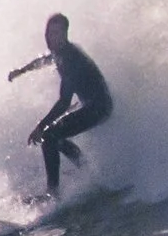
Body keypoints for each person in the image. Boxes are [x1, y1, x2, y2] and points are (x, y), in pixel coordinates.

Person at [7, 13, 113, 195]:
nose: (51, 37)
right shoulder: (61, 53)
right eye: (49, 33)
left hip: (98, 108)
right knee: (57, 137)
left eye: (56, 33)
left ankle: (53, 191)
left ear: (65, 35)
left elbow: (64, 102)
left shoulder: (71, 59)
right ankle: (88, 172)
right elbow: (45, 60)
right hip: (92, 105)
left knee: (49, 135)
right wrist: (22, 70)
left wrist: (40, 127)